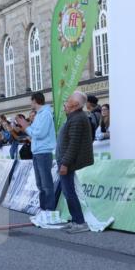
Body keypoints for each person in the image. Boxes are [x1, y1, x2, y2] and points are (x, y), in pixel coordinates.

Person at [57, 91, 94, 234]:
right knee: (68, 192)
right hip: (65, 161)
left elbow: (74, 144)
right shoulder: (73, 117)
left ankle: (80, 222)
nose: (65, 103)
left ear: (76, 105)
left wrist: (65, 163)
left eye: (68, 100)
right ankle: (75, 220)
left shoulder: (78, 119)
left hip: (68, 163)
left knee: (69, 192)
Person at [25, 92, 57, 225]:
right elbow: (35, 131)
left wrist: (26, 127)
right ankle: (43, 209)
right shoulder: (39, 115)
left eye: (31, 101)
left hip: (44, 152)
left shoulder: (45, 114)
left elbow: (40, 133)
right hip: (37, 152)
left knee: (46, 183)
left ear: (35, 101)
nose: (30, 103)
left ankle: (49, 209)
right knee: (40, 183)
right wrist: (28, 128)